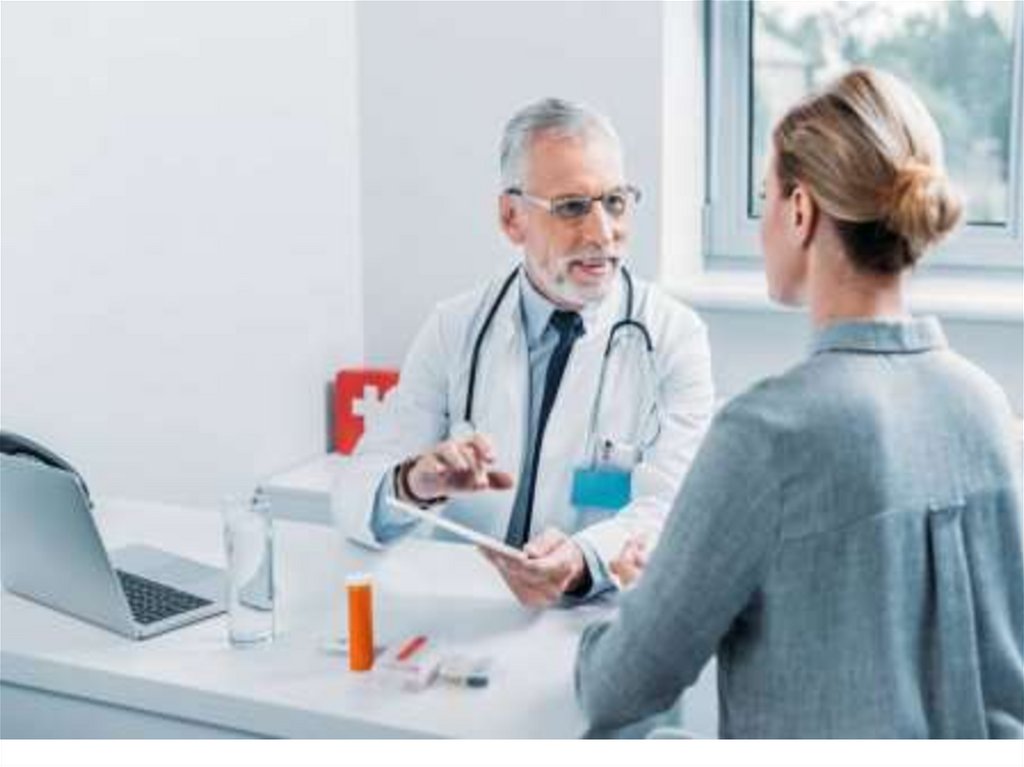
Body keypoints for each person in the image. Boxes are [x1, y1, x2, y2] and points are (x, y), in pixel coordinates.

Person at [575, 68, 1024, 737]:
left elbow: (617, 688)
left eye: (764, 195)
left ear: (800, 210)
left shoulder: (766, 435)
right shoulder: (984, 406)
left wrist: (646, 593)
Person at [333, 98, 715, 606]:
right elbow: (353, 494)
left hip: (592, 615)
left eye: (615, 202)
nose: (603, 233)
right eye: (572, 207)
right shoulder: (454, 329)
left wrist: (581, 560)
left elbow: (675, 507)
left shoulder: (673, 337)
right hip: (468, 610)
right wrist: (412, 482)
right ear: (512, 218)